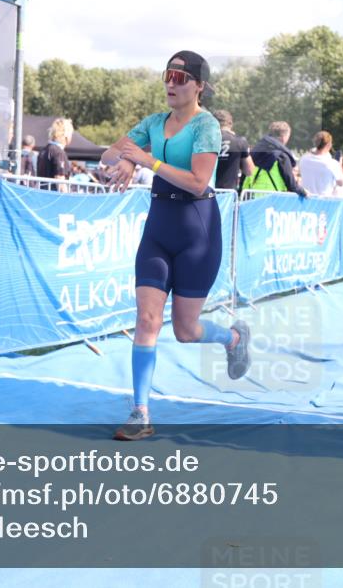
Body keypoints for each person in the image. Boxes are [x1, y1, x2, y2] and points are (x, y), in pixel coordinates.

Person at [100, 50, 251, 441]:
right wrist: (128, 161)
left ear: (199, 86)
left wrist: (146, 162)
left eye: (180, 78)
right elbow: (108, 154)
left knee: (186, 329)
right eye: (167, 75)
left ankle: (233, 338)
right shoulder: (153, 122)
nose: (171, 83)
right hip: (158, 227)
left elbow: (199, 182)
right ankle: (140, 413)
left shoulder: (207, 127)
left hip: (197, 229)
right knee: (147, 320)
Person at [243, 121, 306, 196]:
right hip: (274, 201)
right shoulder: (282, 157)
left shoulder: (253, 153)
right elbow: (291, 185)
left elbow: (244, 178)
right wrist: (304, 192)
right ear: (283, 137)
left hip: (253, 199)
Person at [212, 109, 253, 191]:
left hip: (205, 192)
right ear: (230, 123)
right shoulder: (240, 141)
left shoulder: (203, 140)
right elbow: (249, 170)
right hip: (228, 194)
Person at [298, 131, 343, 197]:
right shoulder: (332, 164)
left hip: (305, 200)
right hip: (323, 202)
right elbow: (341, 183)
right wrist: (339, 167)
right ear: (329, 145)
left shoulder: (303, 159)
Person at [37, 118, 73, 188]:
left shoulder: (44, 150)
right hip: (54, 195)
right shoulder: (58, 152)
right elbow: (60, 180)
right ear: (66, 135)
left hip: (43, 194)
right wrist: (67, 197)